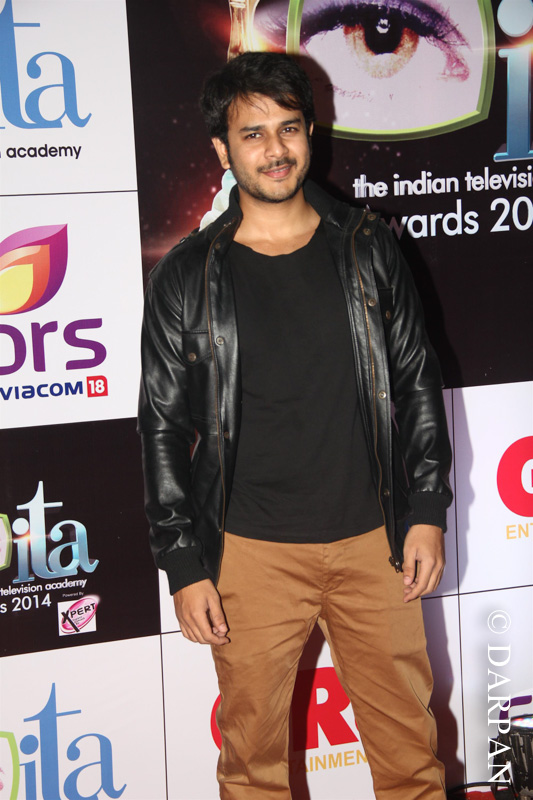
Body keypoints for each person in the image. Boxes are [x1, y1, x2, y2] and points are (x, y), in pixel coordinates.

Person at [138, 51, 453, 800]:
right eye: (252, 134)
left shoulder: (367, 246)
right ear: (223, 150)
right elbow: (161, 425)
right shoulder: (187, 274)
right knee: (251, 769)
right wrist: (182, 561)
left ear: (310, 132)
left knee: (411, 761)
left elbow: (416, 382)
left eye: (288, 127)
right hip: (251, 554)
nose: (274, 149)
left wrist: (428, 511)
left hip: (375, 545)